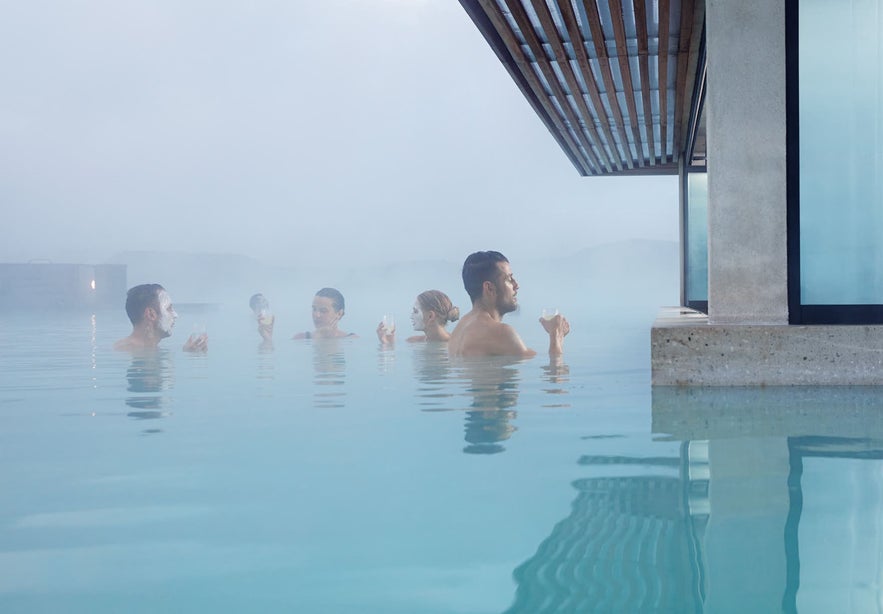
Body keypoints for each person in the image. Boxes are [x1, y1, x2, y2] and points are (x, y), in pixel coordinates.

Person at [448, 251, 569, 357]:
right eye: (509, 279)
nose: (516, 286)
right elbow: (554, 371)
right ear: (489, 288)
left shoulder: (459, 329)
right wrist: (556, 334)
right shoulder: (501, 333)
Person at [114, 283, 208, 352]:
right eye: (169, 309)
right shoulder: (124, 351)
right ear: (151, 314)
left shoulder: (150, 349)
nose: (176, 315)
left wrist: (188, 351)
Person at [376, 290, 460, 344]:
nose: (411, 317)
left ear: (430, 316)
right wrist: (388, 343)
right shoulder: (413, 341)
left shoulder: (459, 344)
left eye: (415, 311)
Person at [293, 287, 357, 339]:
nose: (317, 315)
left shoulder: (351, 340)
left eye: (323, 311)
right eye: (314, 309)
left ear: (339, 314)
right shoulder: (300, 338)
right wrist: (318, 337)